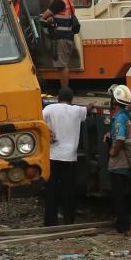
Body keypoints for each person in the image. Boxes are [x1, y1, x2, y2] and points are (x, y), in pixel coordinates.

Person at [42, 87, 88, 227]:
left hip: (52, 155)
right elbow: (88, 109)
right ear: (71, 99)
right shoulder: (77, 110)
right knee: (68, 190)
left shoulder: (49, 109)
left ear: (58, 98)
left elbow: (38, 121)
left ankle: (50, 221)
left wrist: (48, 131)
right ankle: (69, 220)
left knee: (51, 190)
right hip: (69, 157)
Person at [107, 84, 131, 233]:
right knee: (122, 194)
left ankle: (122, 225)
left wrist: (113, 152)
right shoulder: (127, 116)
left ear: (115, 101)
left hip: (119, 162)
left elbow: (120, 138)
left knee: (118, 194)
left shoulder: (119, 118)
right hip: (127, 161)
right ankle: (123, 223)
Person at [43, 0, 80, 71]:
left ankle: (64, 87)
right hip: (67, 35)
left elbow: (45, 16)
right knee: (62, 64)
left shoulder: (59, 1)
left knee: (61, 66)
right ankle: (64, 87)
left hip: (61, 37)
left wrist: (45, 18)